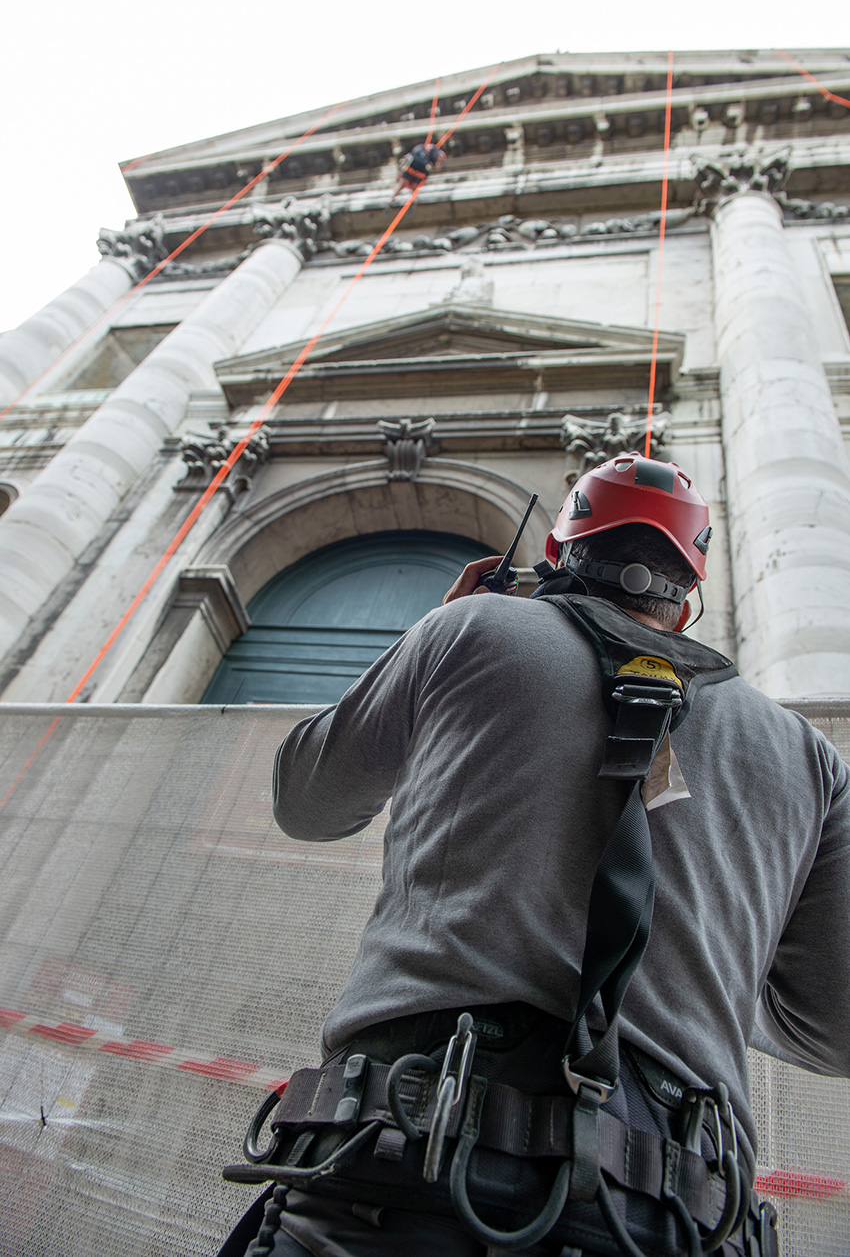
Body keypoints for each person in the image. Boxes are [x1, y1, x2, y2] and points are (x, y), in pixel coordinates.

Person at [222, 454, 850, 1257]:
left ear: (556, 554)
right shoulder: (806, 757)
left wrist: (432, 631)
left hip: (402, 1165)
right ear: (687, 596)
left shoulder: (469, 629)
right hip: (672, 1209)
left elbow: (304, 801)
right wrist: (711, 968)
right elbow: (836, 1030)